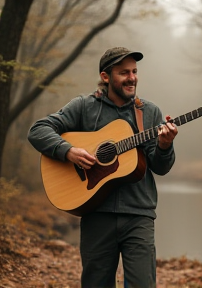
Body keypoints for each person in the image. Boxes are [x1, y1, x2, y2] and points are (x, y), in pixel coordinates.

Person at [28, 46, 178, 288]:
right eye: (124, 73)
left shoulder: (149, 112)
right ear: (106, 77)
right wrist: (69, 151)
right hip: (96, 213)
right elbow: (38, 130)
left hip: (138, 214)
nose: (132, 78)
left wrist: (164, 145)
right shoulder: (84, 106)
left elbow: (161, 167)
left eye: (134, 72)